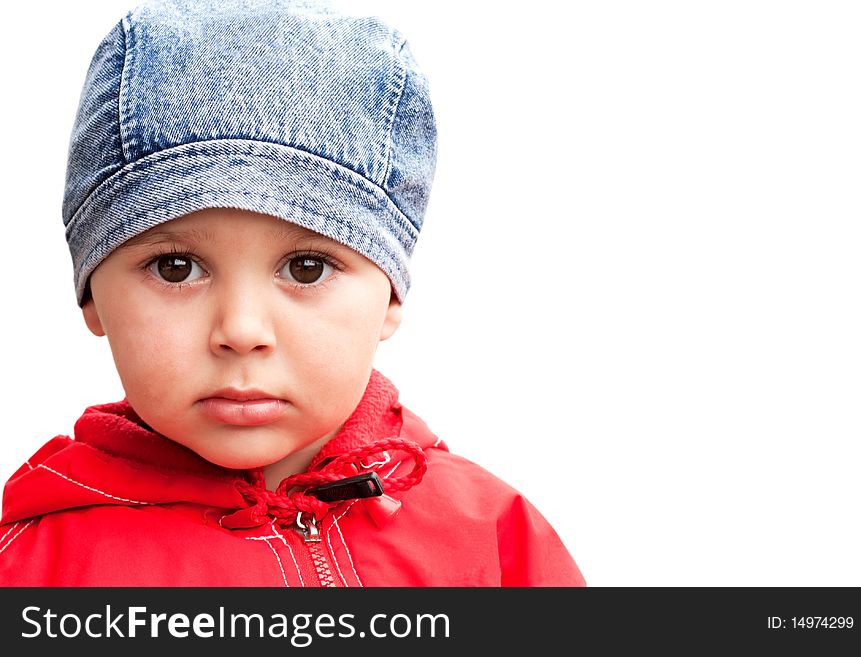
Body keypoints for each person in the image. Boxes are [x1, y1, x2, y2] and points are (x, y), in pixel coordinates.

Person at [0, 0, 584, 587]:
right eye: (176, 268)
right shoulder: (33, 567)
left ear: (390, 297)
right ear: (91, 296)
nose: (242, 331)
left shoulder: (493, 541)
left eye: (306, 268)